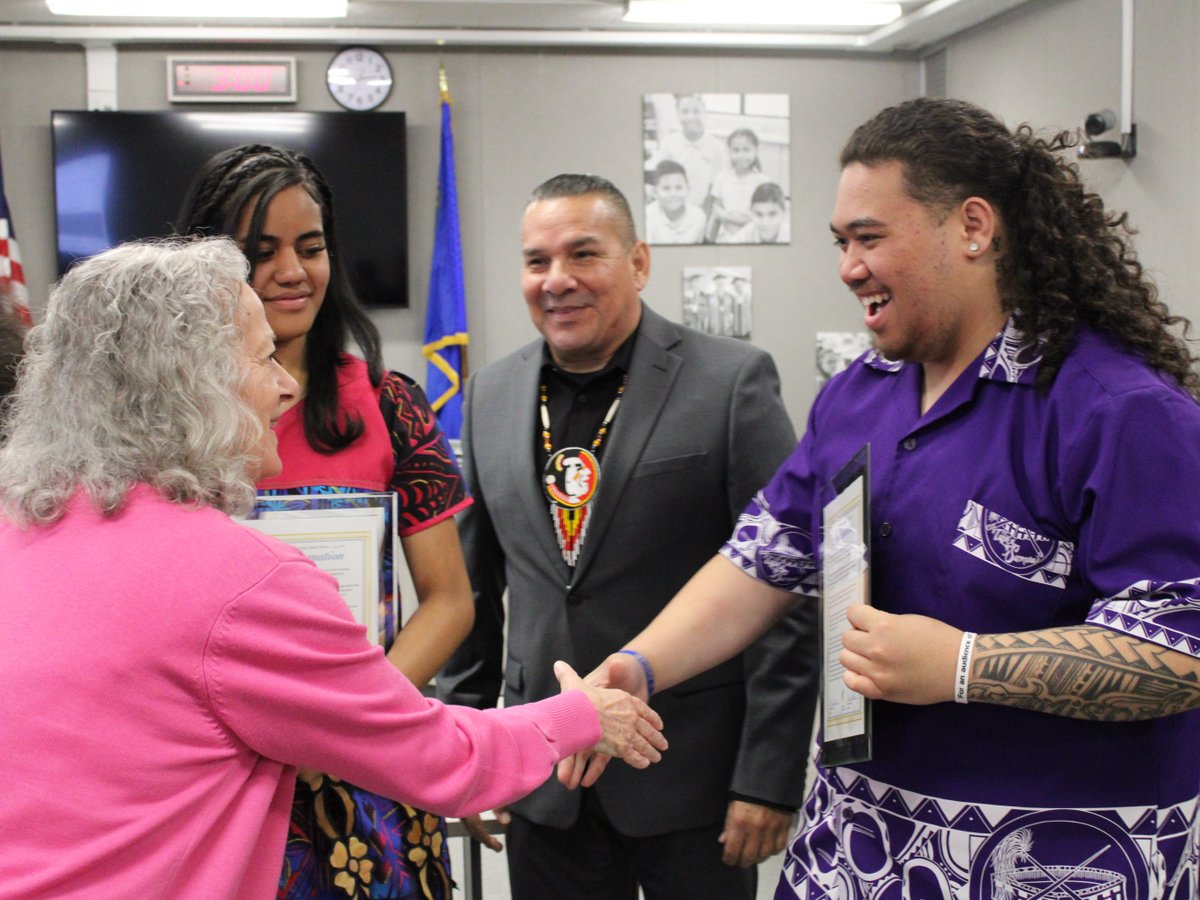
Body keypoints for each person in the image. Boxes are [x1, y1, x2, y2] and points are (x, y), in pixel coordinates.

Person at [572, 96, 1200, 899]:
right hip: (860, 846)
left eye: (870, 238)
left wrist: (965, 666)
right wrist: (638, 667)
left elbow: (1180, 653)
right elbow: (761, 561)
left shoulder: (1120, 412)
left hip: (1049, 860)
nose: (847, 267)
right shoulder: (859, 397)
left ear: (972, 228)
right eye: (842, 242)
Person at [0, 236, 666, 898]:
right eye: (264, 358)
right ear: (197, 384)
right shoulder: (239, 583)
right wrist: (581, 714)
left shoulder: (17, 532)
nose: (287, 386)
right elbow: (439, 758)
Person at [438, 173, 819, 900]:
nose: (557, 281)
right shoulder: (489, 393)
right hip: (544, 776)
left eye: (584, 255)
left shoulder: (731, 381)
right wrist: (468, 755)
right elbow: (473, 594)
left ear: (638, 262)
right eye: (536, 261)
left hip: (692, 782)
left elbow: (785, 589)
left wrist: (766, 777)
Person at [176, 143, 476, 899]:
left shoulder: (389, 402)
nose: (291, 271)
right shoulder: (163, 427)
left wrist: (350, 718)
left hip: (366, 774)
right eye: (260, 252)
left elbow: (449, 599)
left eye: (310, 248)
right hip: (216, 774)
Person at [657, 93, 725, 208]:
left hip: (703, 209)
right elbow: (663, 183)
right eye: (685, 111)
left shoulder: (716, 146)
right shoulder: (668, 144)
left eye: (696, 111)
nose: (690, 117)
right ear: (677, 113)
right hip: (673, 208)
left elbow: (715, 188)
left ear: (704, 112)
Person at [708, 128, 770, 243]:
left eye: (746, 150)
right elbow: (716, 214)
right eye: (736, 150)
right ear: (729, 152)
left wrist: (727, 217)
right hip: (725, 239)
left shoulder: (763, 182)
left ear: (755, 151)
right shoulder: (722, 178)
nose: (741, 155)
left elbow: (761, 219)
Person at [643, 159, 707, 244]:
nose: (673, 194)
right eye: (666, 188)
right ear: (655, 192)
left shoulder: (698, 217)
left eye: (679, 188)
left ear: (688, 189)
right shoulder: (647, 217)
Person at [725, 182, 790, 244]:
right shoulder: (747, 233)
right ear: (751, 213)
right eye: (759, 214)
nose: (765, 223)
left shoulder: (791, 235)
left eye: (772, 214)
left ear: (784, 213)